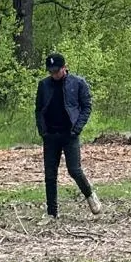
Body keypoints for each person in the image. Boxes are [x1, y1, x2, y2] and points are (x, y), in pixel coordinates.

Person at [36, 52, 101, 217]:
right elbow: (39, 110)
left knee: (74, 170)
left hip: (69, 134)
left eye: (56, 71)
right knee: (50, 175)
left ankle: (89, 194)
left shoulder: (78, 83)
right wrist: (42, 130)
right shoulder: (43, 85)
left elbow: (86, 107)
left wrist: (77, 128)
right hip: (50, 135)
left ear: (64, 68)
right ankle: (52, 213)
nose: (54, 74)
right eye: (51, 71)